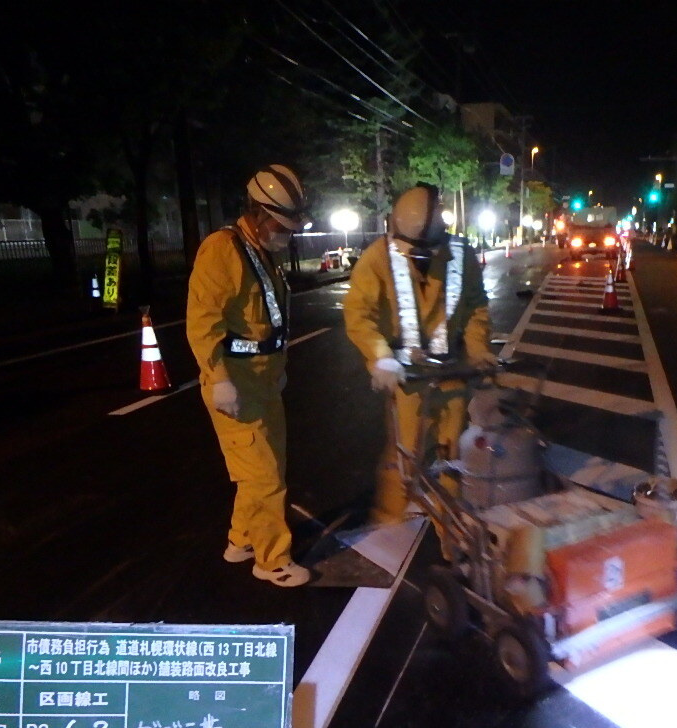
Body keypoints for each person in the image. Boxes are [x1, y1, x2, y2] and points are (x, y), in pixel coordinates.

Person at [343, 182, 495, 530]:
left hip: (454, 373)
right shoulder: (378, 258)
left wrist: (479, 349)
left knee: (451, 455)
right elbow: (359, 313)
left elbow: (475, 306)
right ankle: (394, 519)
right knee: (408, 452)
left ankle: (450, 529)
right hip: (410, 380)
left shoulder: (461, 253)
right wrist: (380, 356)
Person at [186, 163, 310, 587]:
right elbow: (202, 322)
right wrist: (218, 378)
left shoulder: (262, 255)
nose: (286, 233)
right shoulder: (223, 250)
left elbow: (266, 324)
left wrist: (278, 369)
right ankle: (272, 559)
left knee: (260, 470)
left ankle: (241, 540)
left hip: (262, 383)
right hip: (235, 385)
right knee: (265, 477)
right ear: (258, 212)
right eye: (280, 223)